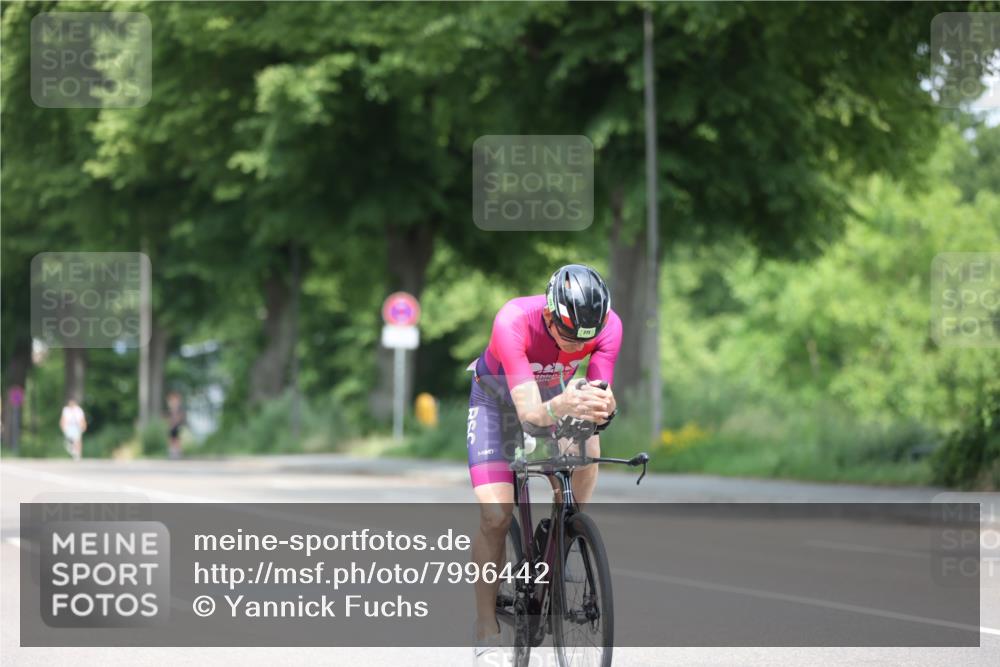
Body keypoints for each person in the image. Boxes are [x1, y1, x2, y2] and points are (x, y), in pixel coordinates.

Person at [467, 264, 621, 663]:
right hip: (498, 400)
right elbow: (532, 415)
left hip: (553, 395)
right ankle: (487, 630)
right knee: (496, 516)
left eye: (584, 341)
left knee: (588, 452)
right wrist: (566, 404)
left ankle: (566, 535)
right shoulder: (513, 321)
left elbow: (598, 400)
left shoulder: (609, 326)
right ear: (550, 317)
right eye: (569, 337)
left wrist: (604, 406)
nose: (575, 349)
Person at [167, 391, 185, 460]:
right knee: (171, 439)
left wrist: (177, 422)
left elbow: (180, 417)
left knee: (177, 439)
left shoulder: (179, 409)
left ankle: (178, 452)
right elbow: (169, 418)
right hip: (171, 426)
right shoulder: (171, 409)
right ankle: (172, 452)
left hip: (177, 426)